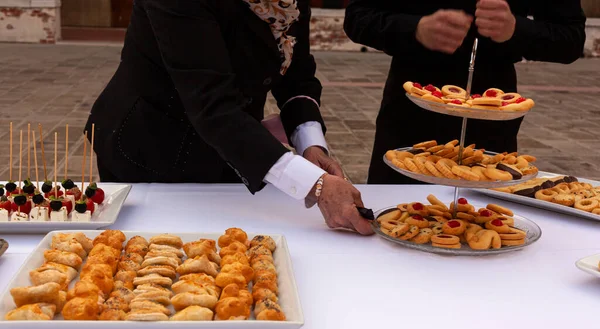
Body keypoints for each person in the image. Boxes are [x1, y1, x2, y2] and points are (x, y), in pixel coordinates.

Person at [85, 0, 372, 235]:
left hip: (233, 146)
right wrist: (314, 185)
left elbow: (296, 75)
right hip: (150, 145)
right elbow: (211, 103)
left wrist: (311, 145)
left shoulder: (286, 2)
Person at [344, 0, 587, 184]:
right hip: (408, 116)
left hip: (492, 120)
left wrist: (517, 29)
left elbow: (571, 40)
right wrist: (414, 29)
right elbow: (358, 17)